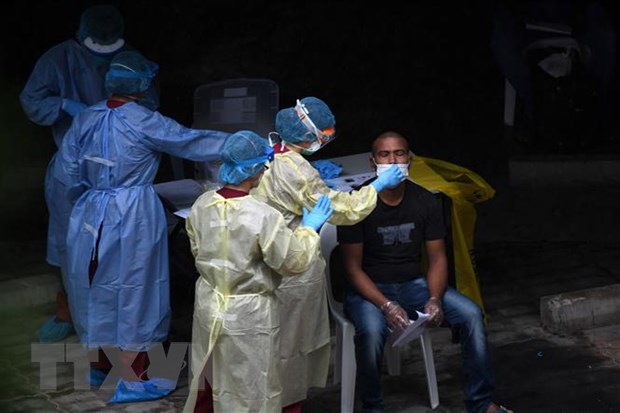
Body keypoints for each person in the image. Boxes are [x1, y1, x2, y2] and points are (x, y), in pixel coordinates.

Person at [53, 49, 229, 403]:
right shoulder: (146, 120)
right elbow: (192, 141)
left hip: (89, 212)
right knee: (137, 289)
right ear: (142, 84)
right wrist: (248, 146)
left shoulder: (85, 118)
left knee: (93, 285)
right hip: (133, 214)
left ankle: (100, 364)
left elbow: (65, 173)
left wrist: (82, 204)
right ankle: (137, 377)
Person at [337, 131, 512, 413]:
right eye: (384, 155)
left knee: (471, 314)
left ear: (409, 160)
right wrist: (386, 305)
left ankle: (481, 403)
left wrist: (434, 298)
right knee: (371, 331)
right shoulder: (357, 203)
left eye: (399, 154)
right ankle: (372, 408)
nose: (392, 161)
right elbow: (352, 269)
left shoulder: (425, 201)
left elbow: (438, 258)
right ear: (372, 163)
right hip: (369, 290)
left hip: (413, 284)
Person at [251, 97, 405, 412]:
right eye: (324, 134)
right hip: (290, 265)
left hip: (268, 258)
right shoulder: (297, 172)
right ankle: (285, 406)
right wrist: (377, 186)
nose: (325, 139)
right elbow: (343, 210)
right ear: (307, 134)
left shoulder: (270, 154)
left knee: (271, 346)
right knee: (290, 349)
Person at [19, 4, 158, 343]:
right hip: (73, 168)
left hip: (120, 171)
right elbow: (32, 98)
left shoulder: (131, 61)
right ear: (81, 35)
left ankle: (116, 317)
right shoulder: (58, 59)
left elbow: (151, 109)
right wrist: (64, 104)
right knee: (67, 242)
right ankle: (66, 310)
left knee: (117, 247)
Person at [182, 130, 333, 413]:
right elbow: (292, 262)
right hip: (250, 314)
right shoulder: (263, 215)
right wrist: (308, 230)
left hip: (210, 303)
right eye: (264, 164)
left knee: (211, 377)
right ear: (255, 170)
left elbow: (197, 248)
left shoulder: (202, 204)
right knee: (253, 387)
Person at [490, 0, 617, 151]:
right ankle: (539, 113)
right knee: (501, 36)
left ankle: (593, 113)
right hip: (528, 22)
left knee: (605, 33)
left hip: (574, 21)